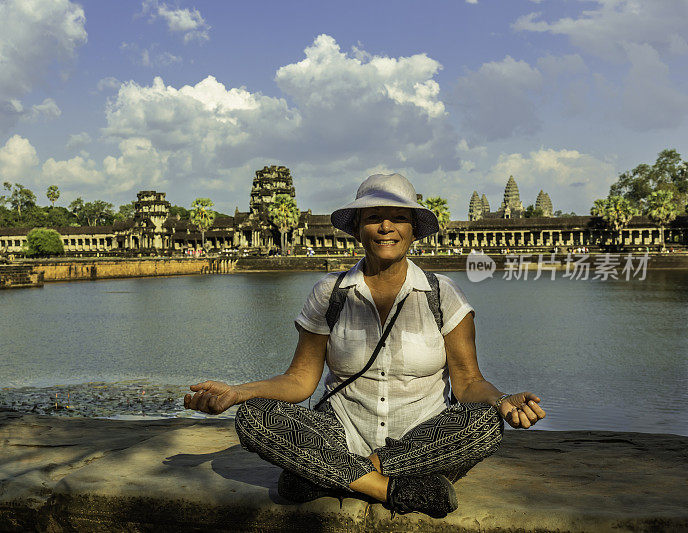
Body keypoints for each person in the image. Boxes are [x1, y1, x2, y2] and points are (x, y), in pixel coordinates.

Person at [184, 173, 545, 517]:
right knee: (253, 417)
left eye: (399, 218)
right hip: (341, 432)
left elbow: (467, 382)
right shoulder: (330, 293)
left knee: (485, 422)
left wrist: (501, 400)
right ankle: (393, 489)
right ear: (358, 229)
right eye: (374, 217)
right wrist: (237, 393)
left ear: (413, 231)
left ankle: (330, 475)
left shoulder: (442, 294)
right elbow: (299, 381)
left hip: (422, 439)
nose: (386, 227)